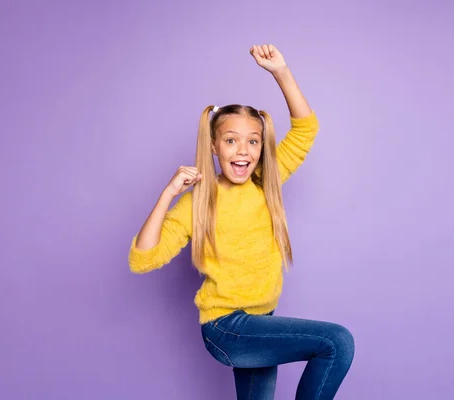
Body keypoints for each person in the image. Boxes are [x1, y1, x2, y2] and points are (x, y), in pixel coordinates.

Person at [128, 44, 355, 400]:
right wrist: (168, 194)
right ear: (214, 147)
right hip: (227, 328)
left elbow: (305, 129)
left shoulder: (267, 182)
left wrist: (280, 71)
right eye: (231, 141)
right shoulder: (199, 201)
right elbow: (143, 258)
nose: (244, 151)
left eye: (253, 142)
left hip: (261, 318)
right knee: (336, 341)